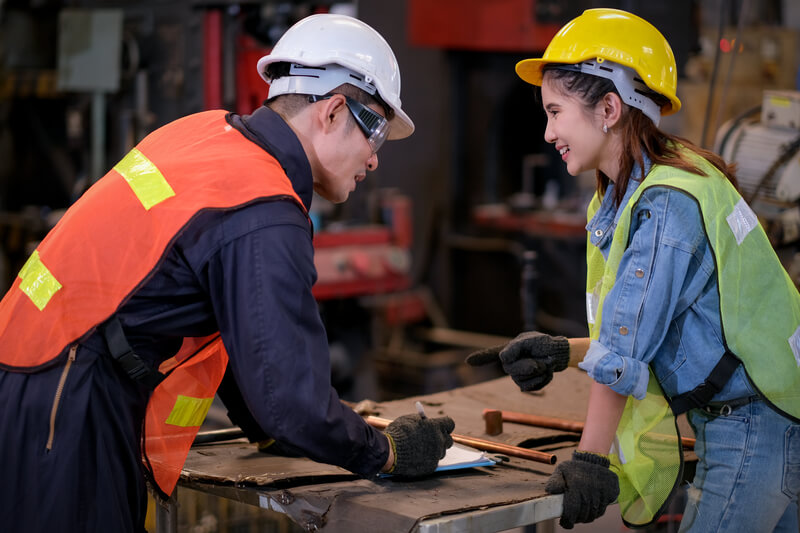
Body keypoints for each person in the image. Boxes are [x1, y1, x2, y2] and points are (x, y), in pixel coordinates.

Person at [0, 13, 455, 532]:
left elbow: (244, 338)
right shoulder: (262, 209)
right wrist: (389, 452)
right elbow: (293, 403)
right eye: (375, 133)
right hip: (68, 408)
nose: (374, 161)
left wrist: (267, 430)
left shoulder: (205, 135)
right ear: (332, 112)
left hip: (34, 380)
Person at [468, 8, 800, 532]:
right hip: (772, 417)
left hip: (751, 427)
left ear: (608, 108)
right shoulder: (666, 179)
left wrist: (589, 460)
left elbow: (625, 348)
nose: (549, 131)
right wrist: (567, 352)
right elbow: (648, 323)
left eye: (556, 111)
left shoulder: (665, 204)